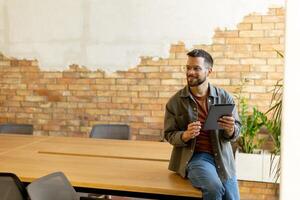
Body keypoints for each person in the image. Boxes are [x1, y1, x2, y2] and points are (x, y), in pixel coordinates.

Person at [164, 49, 241, 200]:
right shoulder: (175, 102)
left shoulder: (225, 97)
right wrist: (184, 135)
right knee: (214, 189)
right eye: (188, 67)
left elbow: (236, 131)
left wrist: (231, 129)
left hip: (223, 158)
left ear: (209, 71)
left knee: (231, 198)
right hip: (196, 158)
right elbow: (168, 134)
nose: (190, 72)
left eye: (196, 68)